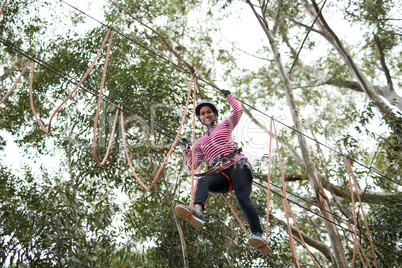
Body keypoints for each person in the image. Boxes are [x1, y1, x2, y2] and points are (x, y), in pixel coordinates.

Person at [175, 89, 272, 255]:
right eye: (202, 113)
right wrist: (187, 149)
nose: (206, 115)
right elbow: (194, 163)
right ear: (199, 118)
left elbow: (238, 111)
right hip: (222, 174)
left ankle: (258, 234)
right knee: (203, 181)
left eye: (209, 112)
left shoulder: (225, 124)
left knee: (242, 197)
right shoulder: (200, 142)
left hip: (237, 164)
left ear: (214, 114)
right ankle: (197, 210)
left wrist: (229, 96)